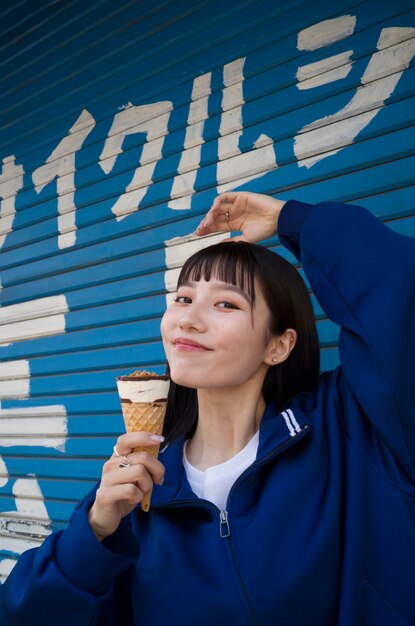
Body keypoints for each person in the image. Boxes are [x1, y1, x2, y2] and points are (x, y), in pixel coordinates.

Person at [1, 192, 414, 625]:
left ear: (278, 345)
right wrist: (95, 533)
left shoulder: (353, 427)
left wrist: (291, 220)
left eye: (226, 304)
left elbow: (400, 291)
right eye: (182, 299)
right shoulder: (138, 491)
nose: (188, 319)